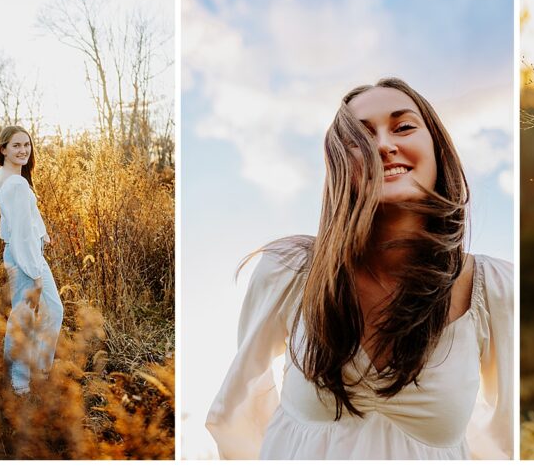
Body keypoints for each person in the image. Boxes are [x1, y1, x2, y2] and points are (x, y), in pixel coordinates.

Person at [206, 78, 513, 460]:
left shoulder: (496, 291)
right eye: (360, 138)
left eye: (403, 127)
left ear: (437, 149)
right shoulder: (289, 270)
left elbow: (506, 441)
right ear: (339, 164)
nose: (384, 145)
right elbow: (240, 410)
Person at [0, 125, 65, 395]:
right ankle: (22, 380)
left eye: (26, 145)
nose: (23, 150)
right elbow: (21, 232)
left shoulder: (3, 176)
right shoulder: (16, 184)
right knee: (27, 316)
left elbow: (16, 218)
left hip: (20, 251)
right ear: (3, 149)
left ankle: (32, 371)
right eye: (16, 146)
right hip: (25, 256)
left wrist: (42, 232)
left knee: (40, 312)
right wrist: (34, 271)